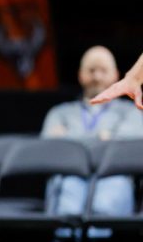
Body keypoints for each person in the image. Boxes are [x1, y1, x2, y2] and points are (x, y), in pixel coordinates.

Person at [41, 45, 143, 215]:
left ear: (116, 75)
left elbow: (131, 147)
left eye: (103, 70)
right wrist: (104, 138)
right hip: (69, 175)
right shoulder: (60, 113)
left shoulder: (131, 112)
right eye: (91, 70)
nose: (97, 76)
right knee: (68, 198)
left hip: (112, 177)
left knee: (108, 198)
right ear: (80, 75)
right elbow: (48, 148)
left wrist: (69, 139)